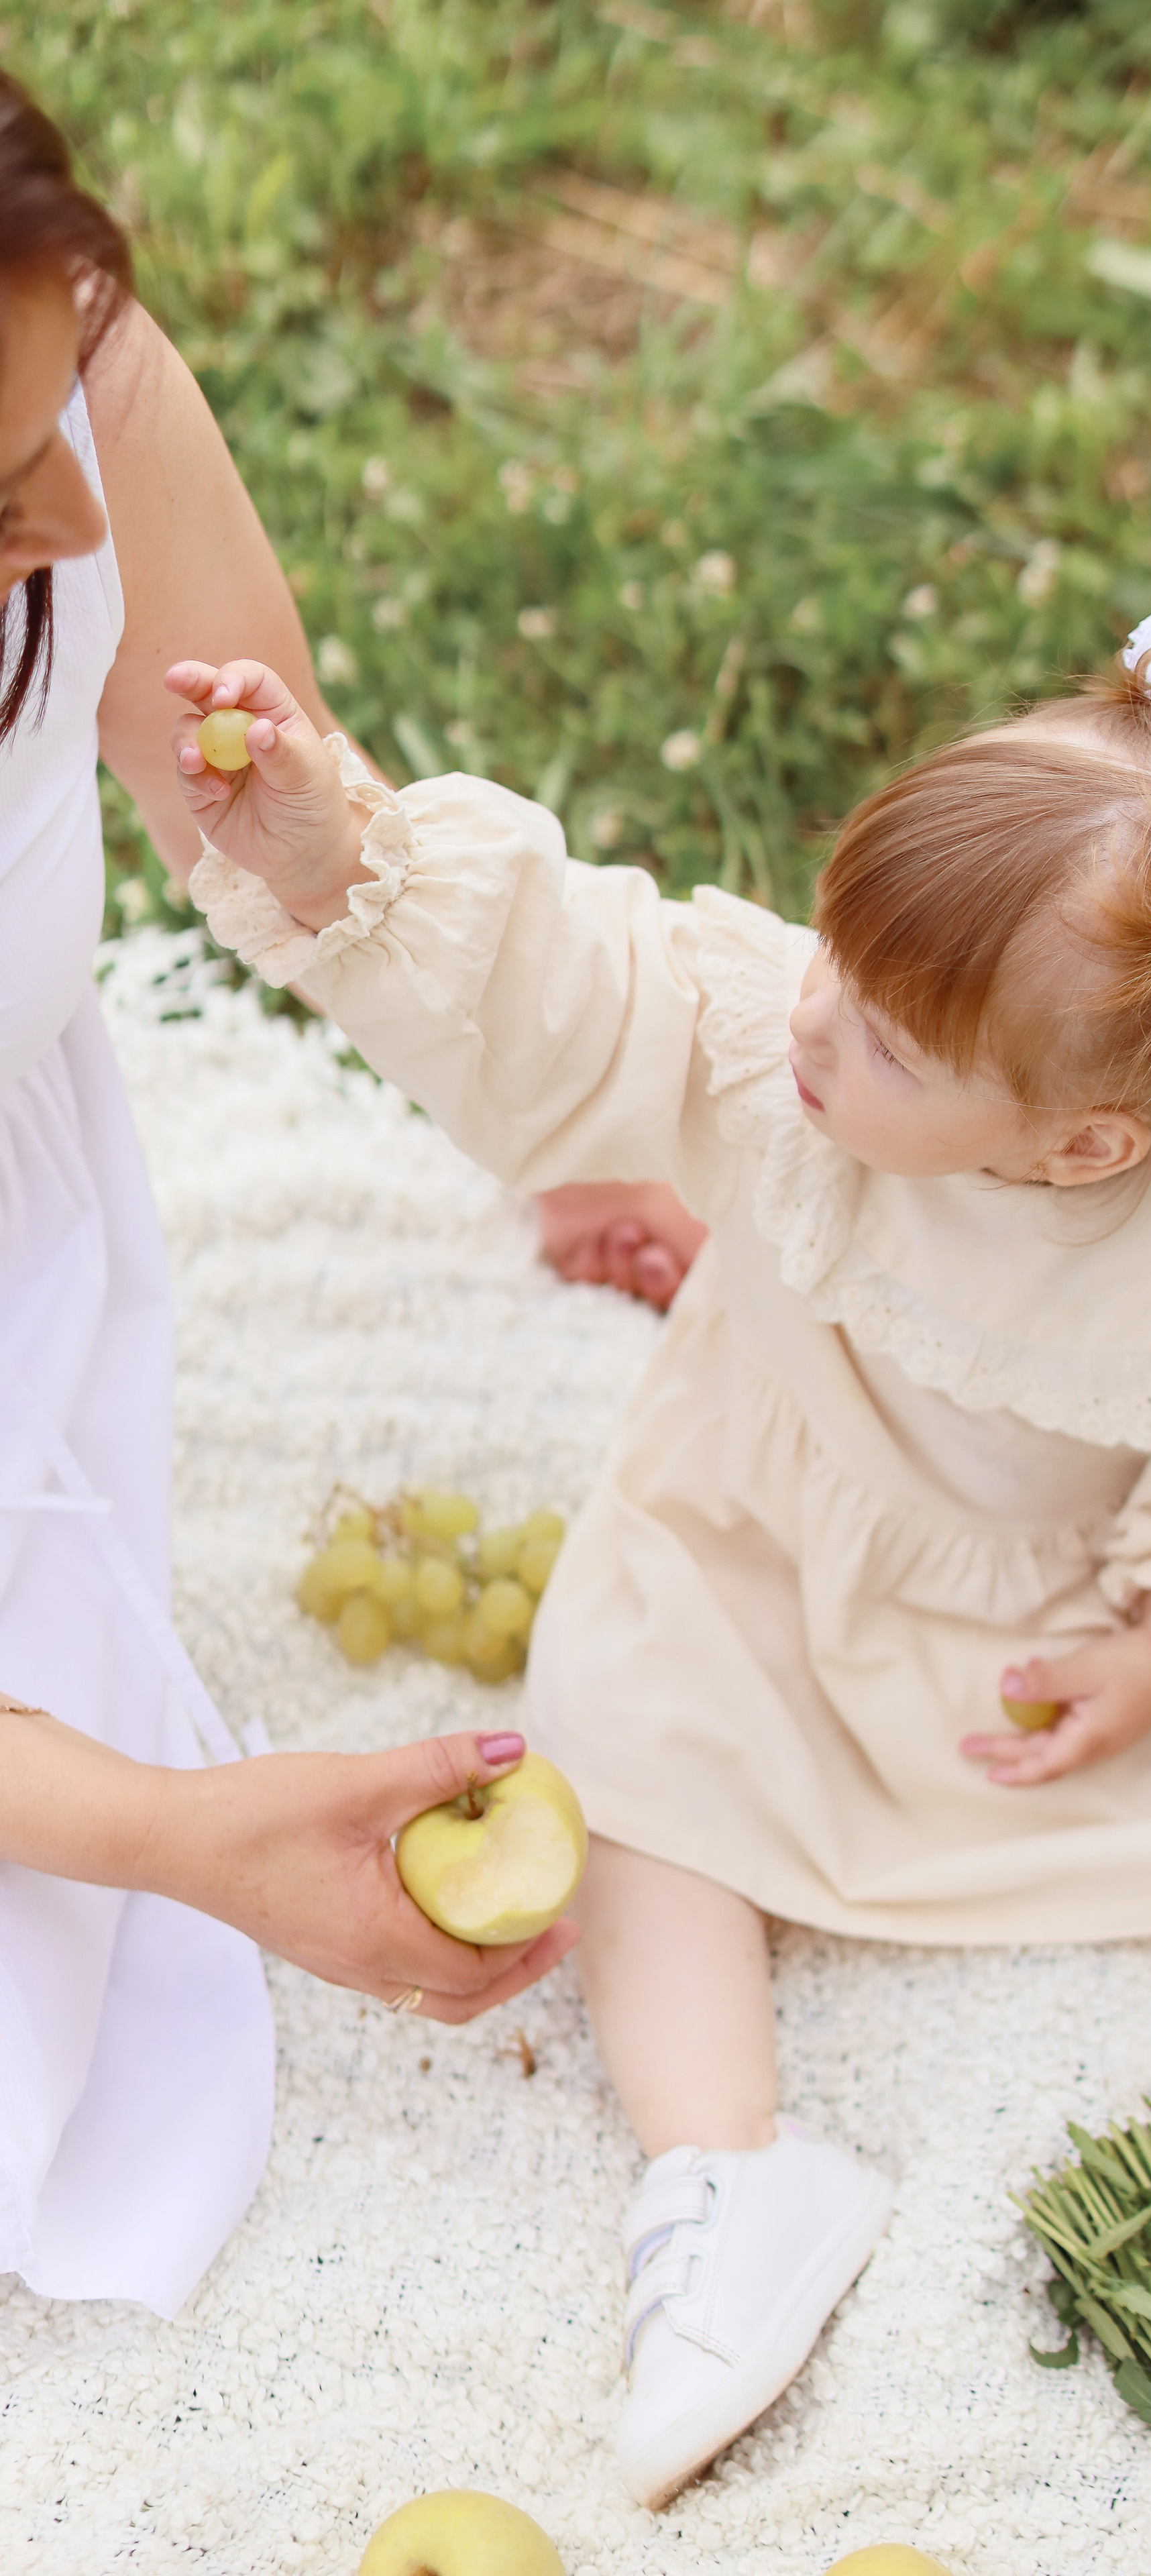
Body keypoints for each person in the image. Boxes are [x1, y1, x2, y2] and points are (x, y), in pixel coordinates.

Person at [169, 586, 1151, 2510]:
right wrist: (349, 856)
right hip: (787, 1560)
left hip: (1079, 1606)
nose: (820, 1022)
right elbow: (573, 982)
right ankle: (730, 2168)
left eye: (899, 1042)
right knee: (623, 1705)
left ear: (1081, 1147)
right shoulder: (774, 1052)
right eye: (832, 956)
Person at [0, 73, 576, 2323]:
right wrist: (183, 1838)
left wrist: (611, 1110)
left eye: (65, 394)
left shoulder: (52, 354)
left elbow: (277, 812)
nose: (68, 504)